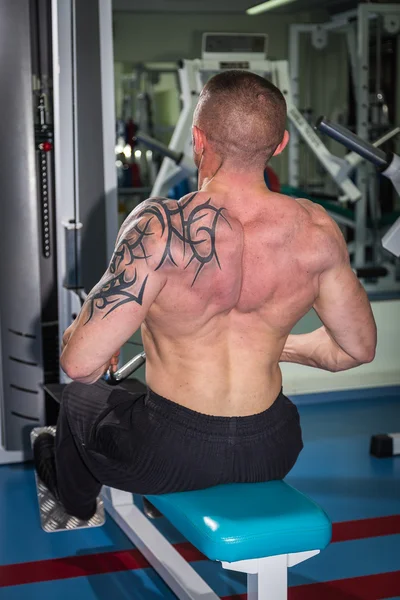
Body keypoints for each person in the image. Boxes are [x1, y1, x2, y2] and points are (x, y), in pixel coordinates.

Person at [34, 70, 377, 521]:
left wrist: (90, 330)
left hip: (170, 452)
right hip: (273, 447)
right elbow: (357, 349)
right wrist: (272, 345)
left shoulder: (158, 226)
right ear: (280, 145)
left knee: (79, 399)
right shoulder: (318, 231)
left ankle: (75, 503)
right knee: (135, 399)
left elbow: (80, 365)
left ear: (198, 139)